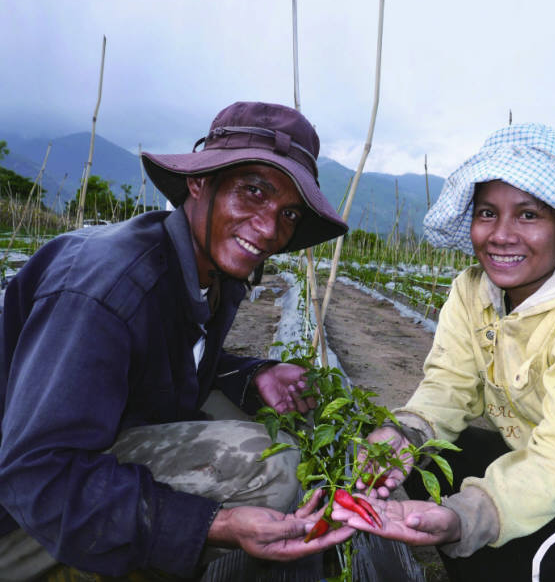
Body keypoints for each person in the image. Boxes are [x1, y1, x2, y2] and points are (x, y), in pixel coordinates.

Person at [0, 101, 355, 580]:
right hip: (22, 514)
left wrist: (254, 376)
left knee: (272, 426)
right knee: (270, 465)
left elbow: (166, 363)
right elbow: (35, 474)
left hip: (98, 441)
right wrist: (213, 524)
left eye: (288, 212)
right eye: (252, 192)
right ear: (199, 182)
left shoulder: (211, 272)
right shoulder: (104, 289)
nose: (270, 229)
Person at [334, 123, 555, 581]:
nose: (501, 235)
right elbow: (447, 387)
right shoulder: (470, 293)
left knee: (543, 557)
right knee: (419, 458)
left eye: (528, 216)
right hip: (546, 467)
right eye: (487, 213)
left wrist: (468, 515)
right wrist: (403, 435)